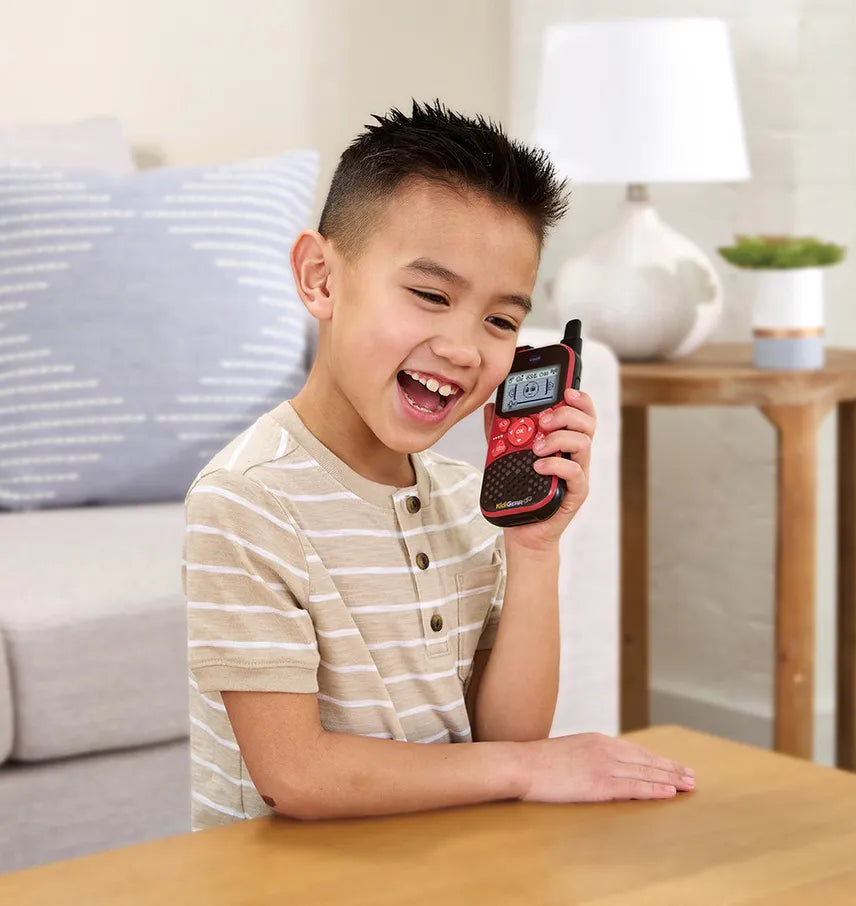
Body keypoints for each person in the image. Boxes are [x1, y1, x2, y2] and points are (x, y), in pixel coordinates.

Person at [183, 100, 694, 831]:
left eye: (500, 321)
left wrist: (534, 549)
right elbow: (295, 776)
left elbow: (507, 736)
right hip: (288, 876)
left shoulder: (467, 500)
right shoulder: (246, 500)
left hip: (440, 858)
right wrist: (531, 769)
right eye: (430, 295)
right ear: (320, 278)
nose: (463, 348)